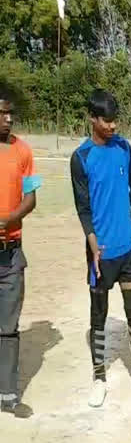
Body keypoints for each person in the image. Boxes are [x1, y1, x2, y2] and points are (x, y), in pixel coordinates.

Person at [70, 89, 131, 408]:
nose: (112, 126)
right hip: (100, 253)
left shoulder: (124, 147)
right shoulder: (80, 158)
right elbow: (83, 208)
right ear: (92, 119)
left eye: (114, 120)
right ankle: (99, 379)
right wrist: (94, 243)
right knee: (99, 315)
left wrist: (119, 209)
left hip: (128, 250)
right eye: (106, 121)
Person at [0, 86, 40, 418]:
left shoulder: (24, 152)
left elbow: (31, 197)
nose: (8, 118)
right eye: (2, 112)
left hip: (11, 253)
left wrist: (12, 218)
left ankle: (9, 394)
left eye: (10, 112)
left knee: (8, 327)